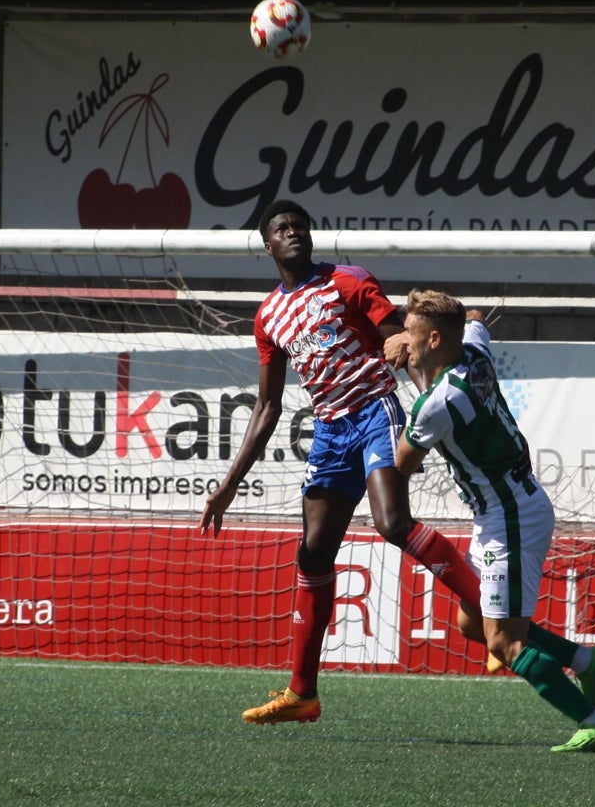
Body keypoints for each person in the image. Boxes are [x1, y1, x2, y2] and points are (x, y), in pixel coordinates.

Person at [198, 199, 490, 725]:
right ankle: (303, 695)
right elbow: (266, 407)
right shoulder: (269, 317)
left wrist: (424, 403)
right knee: (312, 556)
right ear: (267, 245)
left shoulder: (349, 282)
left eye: (300, 226)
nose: (293, 233)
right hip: (330, 431)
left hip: (375, 412)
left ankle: (492, 620)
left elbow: (403, 342)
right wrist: (227, 486)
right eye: (282, 228)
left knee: (392, 524)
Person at [387, 288, 595, 753]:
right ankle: (586, 660)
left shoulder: (439, 402)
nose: (403, 340)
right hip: (507, 508)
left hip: (509, 517)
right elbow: (474, 317)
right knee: (473, 624)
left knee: (502, 642)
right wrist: (416, 347)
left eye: (409, 333)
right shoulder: (472, 347)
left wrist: (405, 375)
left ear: (434, 339)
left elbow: (403, 462)